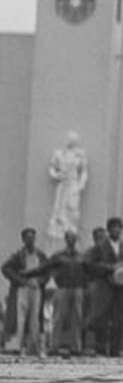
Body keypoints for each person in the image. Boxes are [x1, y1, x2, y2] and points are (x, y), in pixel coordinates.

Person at [87, 217, 123, 357]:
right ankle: (100, 348)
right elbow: (90, 264)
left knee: (119, 319)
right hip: (104, 286)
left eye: (119, 228)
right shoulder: (100, 246)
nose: (117, 230)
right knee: (101, 318)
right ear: (109, 230)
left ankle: (116, 349)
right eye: (114, 227)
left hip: (122, 288)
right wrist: (110, 268)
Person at [1, 228, 49, 356]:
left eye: (32, 237)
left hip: (36, 289)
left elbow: (47, 271)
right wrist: (20, 280)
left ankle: (34, 346)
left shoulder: (41, 255)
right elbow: (6, 268)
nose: (30, 240)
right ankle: (17, 345)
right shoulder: (18, 255)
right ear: (23, 240)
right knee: (20, 317)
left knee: (35, 318)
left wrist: (40, 281)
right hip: (22, 289)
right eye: (27, 238)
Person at [46, 230, 88, 355]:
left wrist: (83, 282)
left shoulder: (81, 256)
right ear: (66, 239)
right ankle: (54, 346)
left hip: (77, 288)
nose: (72, 241)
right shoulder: (58, 256)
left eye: (74, 238)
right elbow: (49, 267)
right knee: (58, 317)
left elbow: (87, 270)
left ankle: (76, 346)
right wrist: (57, 277)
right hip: (62, 288)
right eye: (70, 238)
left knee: (77, 318)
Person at [47, 132, 88, 242]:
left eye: (73, 140)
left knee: (73, 206)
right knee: (60, 205)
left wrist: (80, 185)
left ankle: (72, 228)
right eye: (70, 139)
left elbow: (84, 171)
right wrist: (56, 175)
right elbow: (52, 167)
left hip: (73, 183)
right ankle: (60, 227)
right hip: (63, 182)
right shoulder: (59, 153)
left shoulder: (80, 155)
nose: (71, 142)